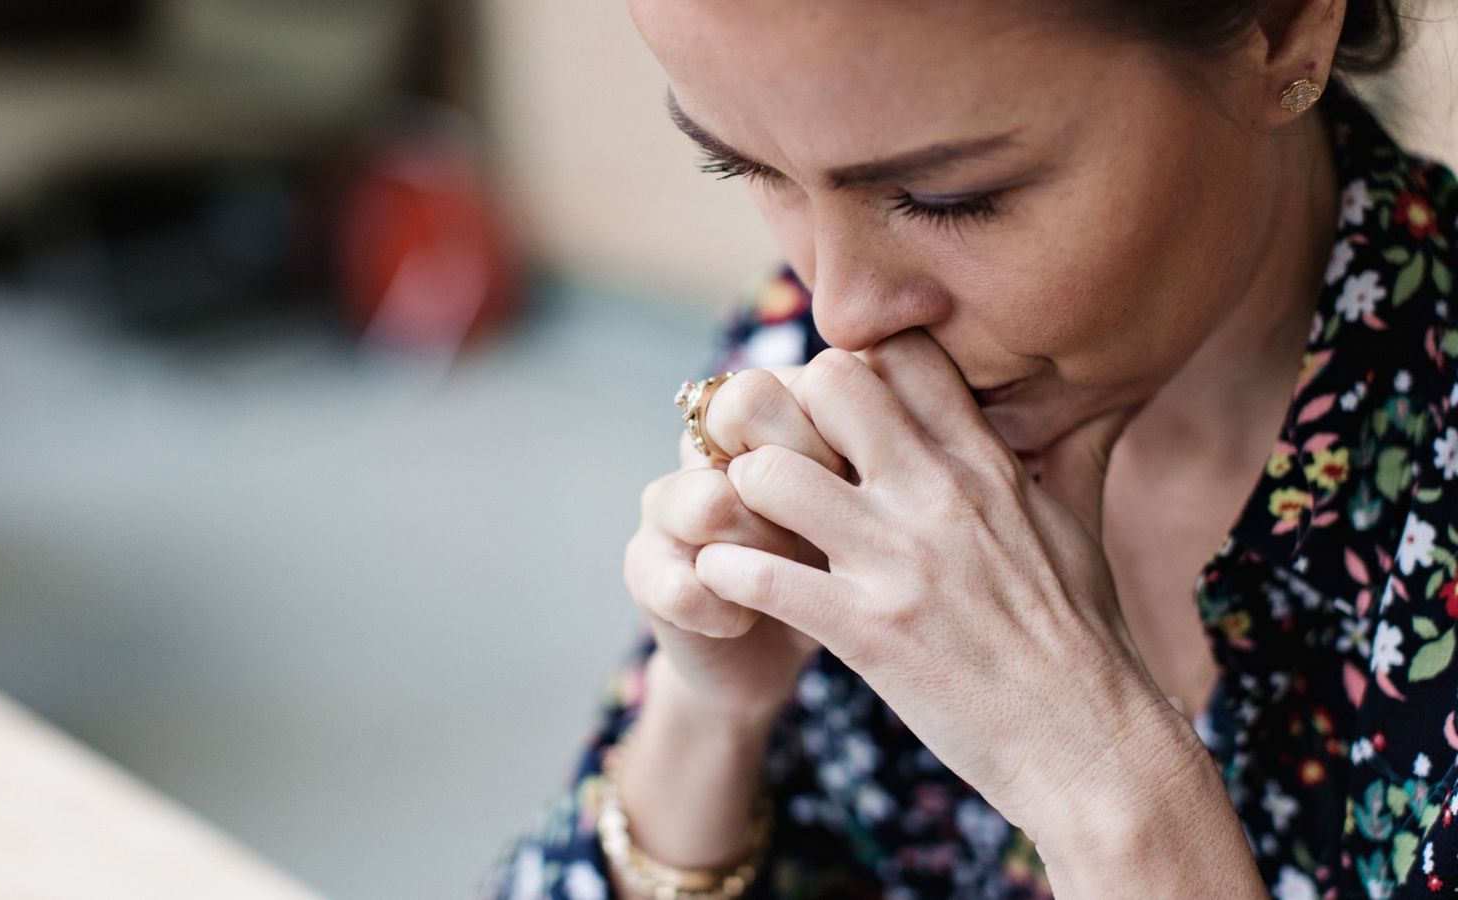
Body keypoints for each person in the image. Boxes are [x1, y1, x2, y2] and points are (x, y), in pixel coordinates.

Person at [484, 1, 1458, 896]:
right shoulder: (803, 349)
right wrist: (707, 720)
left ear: (1283, 26)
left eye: (949, 198)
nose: (845, 314)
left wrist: (1107, 792)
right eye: (747, 168)